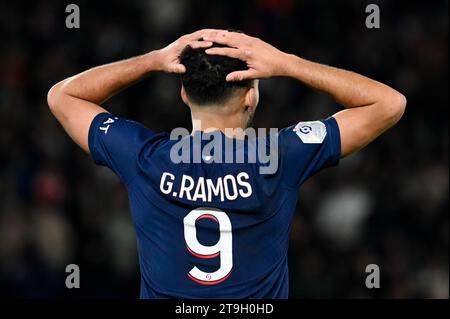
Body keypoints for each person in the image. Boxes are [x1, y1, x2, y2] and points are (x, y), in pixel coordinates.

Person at [47, 29, 406, 298]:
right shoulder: (280, 157)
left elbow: (63, 96)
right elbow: (389, 104)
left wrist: (154, 59)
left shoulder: (145, 159)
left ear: (183, 92)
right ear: (250, 95)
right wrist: (288, 63)